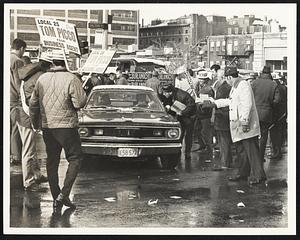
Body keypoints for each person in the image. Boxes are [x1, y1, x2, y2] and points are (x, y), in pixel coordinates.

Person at [29, 50, 87, 214]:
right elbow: (79, 103)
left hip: (48, 127)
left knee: (52, 161)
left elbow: (33, 104)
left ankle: (57, 196)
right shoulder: (71, 78)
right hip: (67, 127)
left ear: (52, 62)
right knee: (75, 158)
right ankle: (64, 194)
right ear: (65, 62)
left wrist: (36, 123)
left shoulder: (42, 78)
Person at [209, 67, 266, 185]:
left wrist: (245, 121)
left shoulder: (243, 85)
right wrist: (215, 103)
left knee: (251, 150)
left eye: (227, 79)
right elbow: (231, 101)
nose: (227, 81)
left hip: (244, 124)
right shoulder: (235, 87)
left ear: (230, 77)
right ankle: (243, 173)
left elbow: (247, 104)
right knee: (242, 150)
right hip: (237, 124)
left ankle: (259, 175)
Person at [17, 53, 52, 191]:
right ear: (47, 65)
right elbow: (34, 102)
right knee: (29, 151)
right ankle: (28, 181)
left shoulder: (31, 74)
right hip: (27, 117)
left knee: (32, 149)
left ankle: (36, 175)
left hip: (23, 115)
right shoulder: (40, 77)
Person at [251, 66, 280, 163]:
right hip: (266, 114)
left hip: (254, 113)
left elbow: (249, 97)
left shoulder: (254, 83)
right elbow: (277, 100)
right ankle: (260, 157)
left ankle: (253, 158)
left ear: (261, 73)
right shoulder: (273, 84)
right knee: (263, 137)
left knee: (253, 136)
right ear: (270, 73)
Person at [160, 84, 196, 161]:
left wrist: (183, 112)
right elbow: (167, 102)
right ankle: (178, 152)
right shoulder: (171, 95)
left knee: (188, 135)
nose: (164, 94)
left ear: (170, 92)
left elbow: (192, 105)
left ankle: (187, 153)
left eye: (165, 93)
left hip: (189, 117)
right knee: (180, 134)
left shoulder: (182, 95)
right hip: (180, 117)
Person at [10, 38, 27, 165]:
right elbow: (18, 82)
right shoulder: (18, 61)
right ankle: (16, 155)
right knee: (16, 127)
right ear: (21, 48)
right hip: (14, 99)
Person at [212, 69, 233, 168]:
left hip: (222, 118)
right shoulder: (228, 87)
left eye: (218, 77)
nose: (217, 79)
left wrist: (213, 102)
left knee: (224, 142)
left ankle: (225, 162)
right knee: (225, 142)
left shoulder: (223, 88)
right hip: (226, 117)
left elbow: (220, 102)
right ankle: (227, 161)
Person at [194, 71, 214, 155]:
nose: (200, 80)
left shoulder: (208, 89)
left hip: (205, 113)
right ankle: (202, 145)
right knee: (197, 129)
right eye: (200, 79)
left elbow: (209, 101)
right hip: (199, 112)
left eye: (202, 79)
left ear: (205, 80)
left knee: (206, 131)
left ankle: (208, 148)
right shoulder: (199, 87)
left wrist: (200, 101)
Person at [269, 74, 287, 159]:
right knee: (279, 133)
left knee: (274, 134)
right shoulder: (283, 88)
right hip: (282, 114)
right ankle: (278, 150)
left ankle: (276, 152)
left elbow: (276, 101)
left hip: (275, 114)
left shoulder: (275, 88)